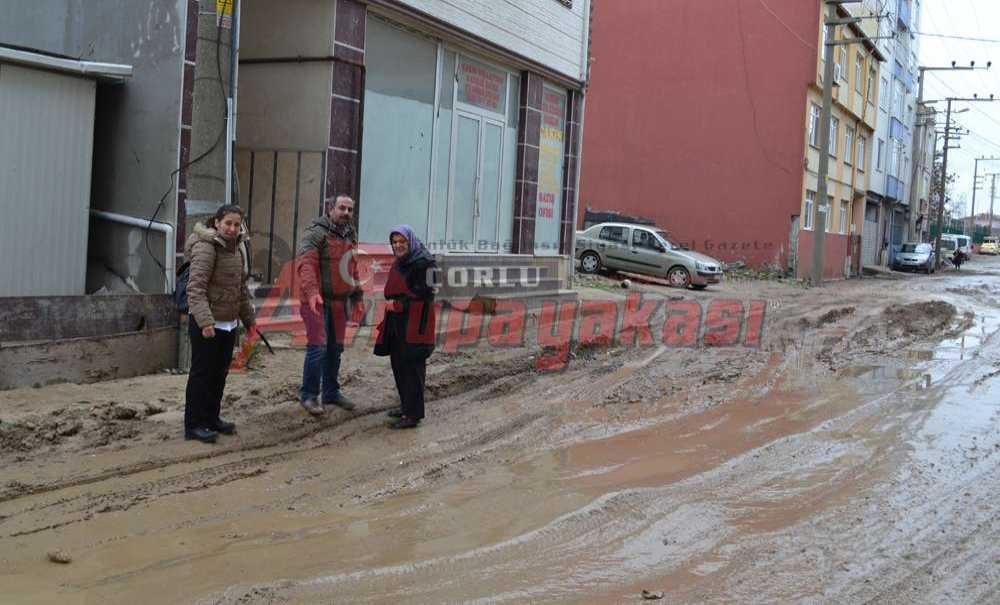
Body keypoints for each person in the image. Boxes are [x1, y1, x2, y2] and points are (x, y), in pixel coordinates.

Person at [184, 204, 256, 443]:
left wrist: (249, 320)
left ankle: (211, 418)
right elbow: (195, 289)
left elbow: (240, 289)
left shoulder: (237, 249)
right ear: (217, 222)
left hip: (228, 323)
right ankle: (194, 425)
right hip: (207, 324)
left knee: (219, 374)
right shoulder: (206, 247)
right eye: (228, 223)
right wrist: (205, 321)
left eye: (237, 224)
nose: (232, 228)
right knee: (201, 374)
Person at [296, 194, 364, 416]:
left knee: (335, 349)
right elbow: (306, 265)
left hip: (339, 302)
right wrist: (313, 292)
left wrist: (357, 297)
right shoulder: (316, 232)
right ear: (331, 209)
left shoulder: (350, 234)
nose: (346, 213)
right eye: (342, 208)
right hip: (316, 301)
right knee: (318, 348)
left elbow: (351, 268)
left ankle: (331, 392)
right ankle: (308, 395)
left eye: (349, 210)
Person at [382, 225, 437, 429]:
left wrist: (398, 304)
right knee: (399, 363)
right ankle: (406, 406)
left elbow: (427, 292)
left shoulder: (426, 262)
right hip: (399, 321)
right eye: (395, 242)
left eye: (402, 242)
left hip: (417, 322)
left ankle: (413, 415)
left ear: (410, 241)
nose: (398, 245)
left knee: (412, 366)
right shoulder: (401, 261)